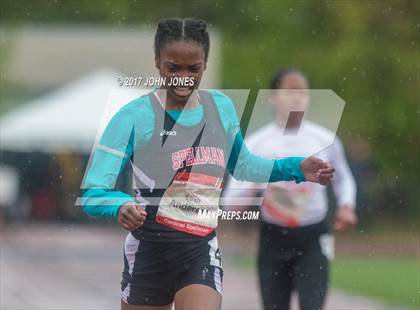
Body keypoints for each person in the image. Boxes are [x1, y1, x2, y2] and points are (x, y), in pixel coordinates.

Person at [81, 19, 335, 310]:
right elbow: (93, 191)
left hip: (199, 249)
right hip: (149, 252)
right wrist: (120, 205)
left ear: (205, 65)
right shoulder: (133, 117)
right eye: (172, 68)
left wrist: (296, 167)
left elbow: (244, 166)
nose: (183, 78)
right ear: (156, 63)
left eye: (193, 69)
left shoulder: (220, 108)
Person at [224, 69, 357, 310]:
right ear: (273, 97)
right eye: (289, 91)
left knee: (312, 305)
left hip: (313, 236)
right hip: (273, 237)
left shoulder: (324, 139)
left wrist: (347, 206)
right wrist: (257, 180)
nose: (297, 98)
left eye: (303, 92)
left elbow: (344, 179)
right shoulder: (256, 143)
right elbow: (230, 204)